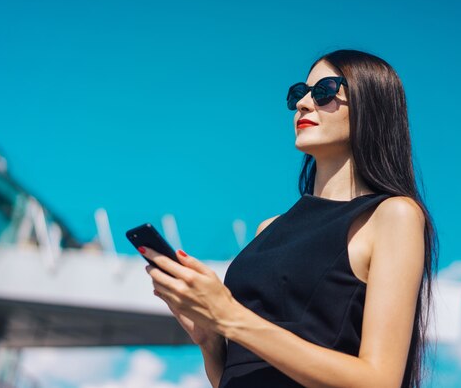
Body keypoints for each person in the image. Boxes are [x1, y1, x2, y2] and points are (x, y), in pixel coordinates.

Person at [138, 49, 438, 388]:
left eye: (324, 91)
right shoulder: (268, 229)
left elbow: (379, 380)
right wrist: (210, 340)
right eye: (300, 93)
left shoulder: (392, 215)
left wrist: (231, 317)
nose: (304, 103)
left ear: (371, 106)